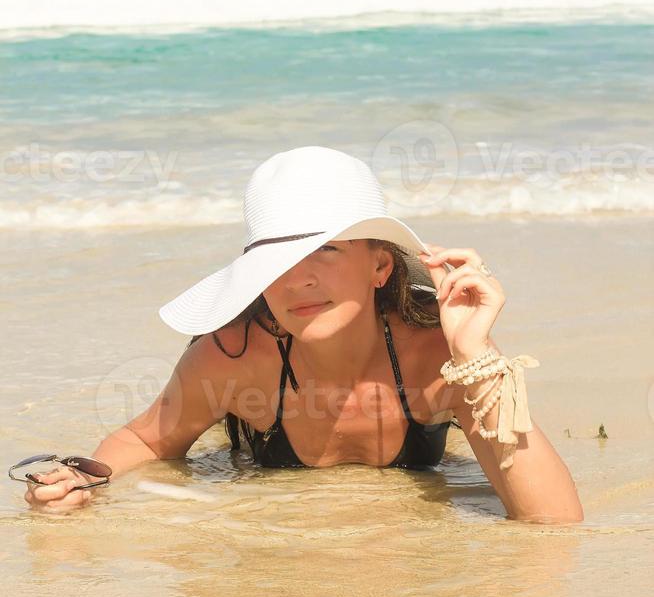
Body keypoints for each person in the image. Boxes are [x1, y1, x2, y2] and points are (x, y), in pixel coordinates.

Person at [19, 146, 583, 523]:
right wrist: (76, 481)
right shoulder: (233, 358)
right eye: (277, 261)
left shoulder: (441, 357)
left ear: (380, 266)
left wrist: (475, 353)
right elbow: (145, 440)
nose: (300, 278)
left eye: (327, 251)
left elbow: (553, 523)